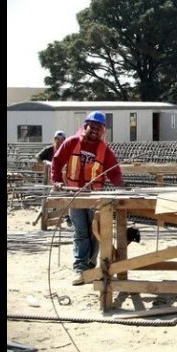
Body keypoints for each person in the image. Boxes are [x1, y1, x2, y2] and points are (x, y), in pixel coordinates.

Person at [51, 111, 123, 285]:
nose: (95, 131)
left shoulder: (104, 150)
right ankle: (81, 268)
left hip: (94, 196)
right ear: (86, 126)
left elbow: (114, 171)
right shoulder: (72, 142)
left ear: (103, 130)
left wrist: (121, 185)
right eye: (92, 127)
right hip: (74, 194)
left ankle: (91, 267)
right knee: (80, 231)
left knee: (95, 231)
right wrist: (57, 181)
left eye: (98, 128)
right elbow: (57, 161)